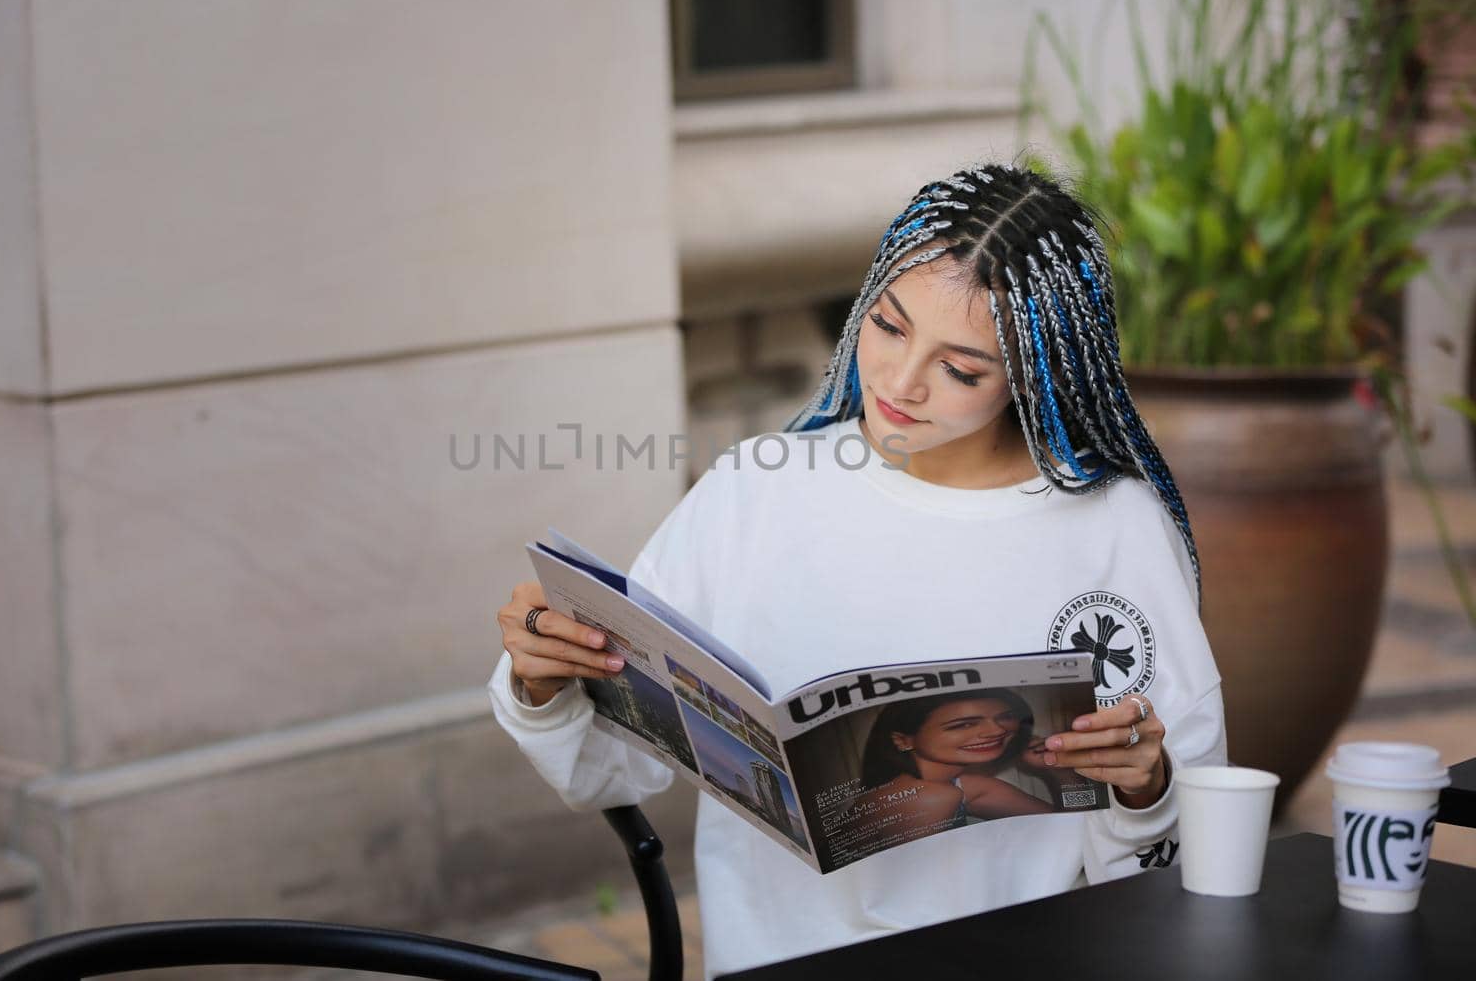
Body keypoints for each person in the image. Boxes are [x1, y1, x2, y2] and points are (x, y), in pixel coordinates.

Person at [489, 161, 1227, 978]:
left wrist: (1144, 784)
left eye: (960, 369)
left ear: (1032, 377)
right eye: (887, 324)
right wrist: (547, 683)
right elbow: (612, 766)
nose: (900, 382)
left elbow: (1191, 838)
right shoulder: (756, 488)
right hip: (776, 957)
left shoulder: (1114, 528)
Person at [844, 689, 1054, 841]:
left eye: (1005, 717)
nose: (997, 731)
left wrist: (1056, 768)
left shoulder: (964, 786)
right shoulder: (929, 797)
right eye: (965, 724)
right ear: (903, 740)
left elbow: (1071, 832)